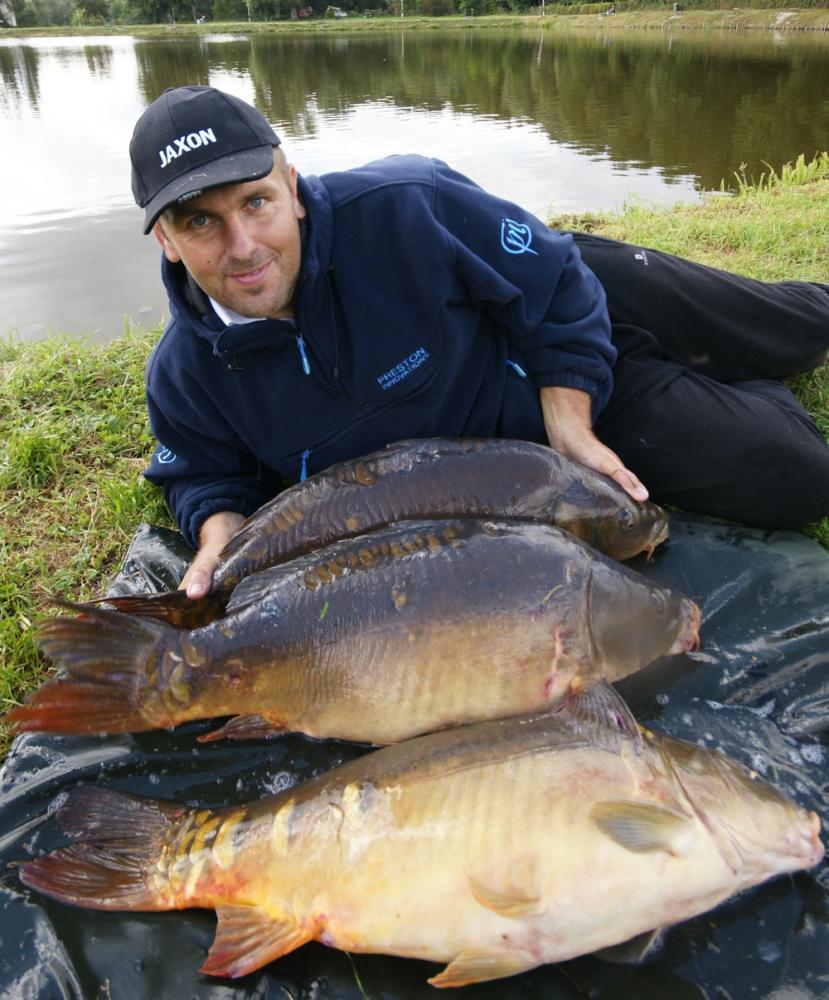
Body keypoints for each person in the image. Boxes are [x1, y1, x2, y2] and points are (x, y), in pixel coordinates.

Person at [129, 85, 829, 599]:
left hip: (568, 320)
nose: (244, 246)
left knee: (793, 328)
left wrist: (569, 422)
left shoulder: (406, 204)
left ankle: (749, 334)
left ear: (292, 186)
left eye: (256, 202)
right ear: (165, 238)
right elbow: (200, 473)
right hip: (521, 441)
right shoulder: (186, 375)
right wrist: (218, 529)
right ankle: (726, 380)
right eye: (201, 223)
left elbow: (556, 280)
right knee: (799, 473)